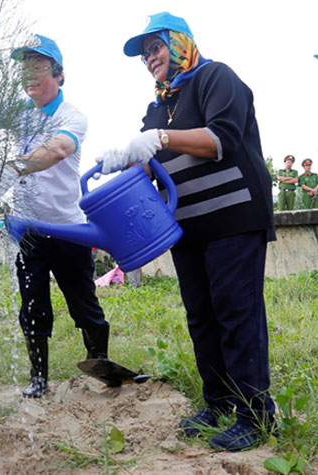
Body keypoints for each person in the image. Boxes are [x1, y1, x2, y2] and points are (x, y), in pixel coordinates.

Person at [97, 12, 276, 451]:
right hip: (186, 226)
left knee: (237, 313)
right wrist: (122, 161)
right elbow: (148, 162)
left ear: (179, 42)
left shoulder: (216, 77)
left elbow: (221, 140)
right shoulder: (160, 104)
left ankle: (255, 416)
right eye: (144, 55)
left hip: (234, 216)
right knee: (201, 315)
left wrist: (160, 138)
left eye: (154, 47)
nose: (149, 59)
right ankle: (218, 403)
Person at [0, 34, 137, 398]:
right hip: (28, 231)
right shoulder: (18, 112)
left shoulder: (71, 116)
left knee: (83, 302)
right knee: (33, 305)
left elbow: (57, 149)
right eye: (25, 67)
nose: (31, 74)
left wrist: (10, 169)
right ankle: (38, 379)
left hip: (68, 228)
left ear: (58, 74)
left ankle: (99, 361)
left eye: (39, 66)